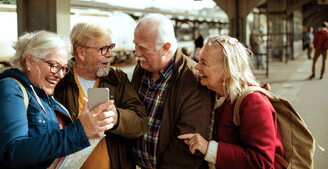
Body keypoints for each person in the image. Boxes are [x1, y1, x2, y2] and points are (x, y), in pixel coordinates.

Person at [0, 30, 115, 168]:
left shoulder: (46, 97)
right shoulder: (8, 90)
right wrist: (79, 131)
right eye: (54, 65)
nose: (60, 75)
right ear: (30, 61)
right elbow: (14, 152)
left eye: (64, 68)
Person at [178, 35, 285, 169]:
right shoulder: (213, 93)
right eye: (198, 60)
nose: (197, 67)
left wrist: (209, 149)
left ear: (227, 70)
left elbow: (262, 162)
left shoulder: (254, 103)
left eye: (204, 63)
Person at [54, 22, 147, 169]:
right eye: (103, 49)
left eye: (111, 47)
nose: (110, 54)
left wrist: (117, 118)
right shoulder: (59, 81)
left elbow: (141, 122)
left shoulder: (118, 78)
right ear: (81, 53)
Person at [131, 13, 213, 169]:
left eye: (142, 48)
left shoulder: (193, 80)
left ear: (166, 47)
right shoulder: (142, 67)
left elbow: (187, 147)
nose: (136, 53)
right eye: (135, 45)